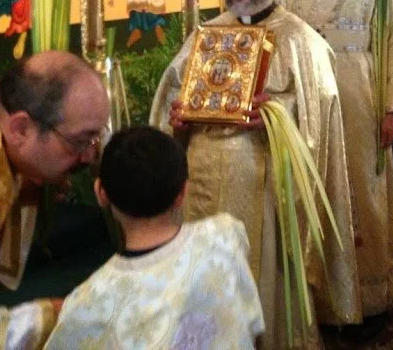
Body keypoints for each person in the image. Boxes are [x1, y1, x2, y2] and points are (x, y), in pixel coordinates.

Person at [150, 0, 361, 348]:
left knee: (255, 267)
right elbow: (172, 98)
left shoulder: (300, 39)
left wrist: (275, 113)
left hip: (261, 176)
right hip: (201, 171)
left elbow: (320, 114)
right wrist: (177, 118)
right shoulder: (207, 35)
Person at [278, 0, 393, 321]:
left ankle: (369, 296)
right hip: (304, 94)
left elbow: (389, 42)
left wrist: (390, 109)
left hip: (358, 95)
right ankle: (316, 299)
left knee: (363, 188)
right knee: (308, 185)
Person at [44, 126, 264, 349]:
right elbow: (251, 321)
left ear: (100, 192)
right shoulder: (224, 237)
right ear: (183, 193)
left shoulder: (87, 302)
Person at [0, 51, 109, 349]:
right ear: (20, 128)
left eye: (94, 140)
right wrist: (52, 316)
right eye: (79, 142)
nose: (89, 156)